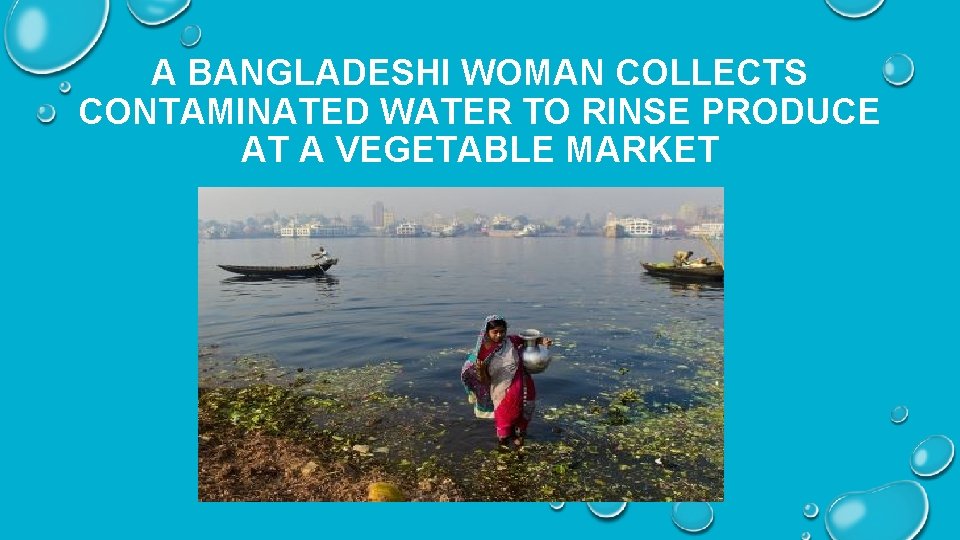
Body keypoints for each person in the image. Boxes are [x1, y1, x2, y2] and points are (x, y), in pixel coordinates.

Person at [460, 315, 553, 449]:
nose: (499, 335)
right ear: (486, 332)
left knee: (522, 428)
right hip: (503, 395)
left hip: (526, 389)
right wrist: (480, 370)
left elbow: (529, 339)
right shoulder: (481, 354)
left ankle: (519, 450)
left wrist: (543, 341)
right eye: (495, 332)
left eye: (502, 331)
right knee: (504, 429)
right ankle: (503, 459)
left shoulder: (510, 341)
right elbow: (485, 381)